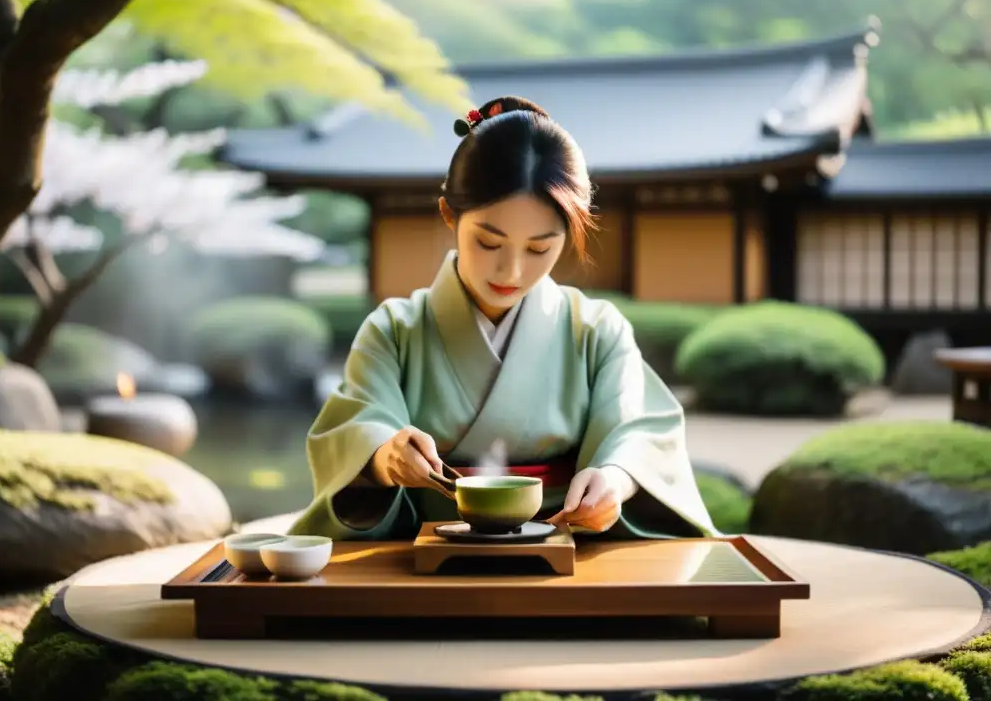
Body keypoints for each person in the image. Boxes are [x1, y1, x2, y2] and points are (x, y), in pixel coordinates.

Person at [288, 96, 718, 541]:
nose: (512, 272)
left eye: (539, 248)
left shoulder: (596, 331)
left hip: (565, 546)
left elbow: (638, 432)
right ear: (449, 215)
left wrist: (615, 479)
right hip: (423, 550)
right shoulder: (394, 330)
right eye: (489, 243)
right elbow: (360, 423)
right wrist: (383, 457)